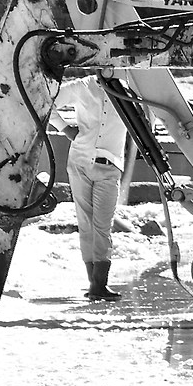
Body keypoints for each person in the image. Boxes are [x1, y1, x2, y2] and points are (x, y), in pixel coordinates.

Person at [58, 73, 130, 301]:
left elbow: (148, 119)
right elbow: (45, 100)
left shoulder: (129, 90)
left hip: (110, 167)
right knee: (85, 224)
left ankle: (99, 284)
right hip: (80, 162)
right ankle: (95, 284)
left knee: (102, 226)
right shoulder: (82, 86)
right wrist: (64, 127)